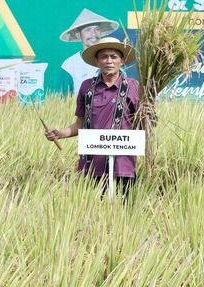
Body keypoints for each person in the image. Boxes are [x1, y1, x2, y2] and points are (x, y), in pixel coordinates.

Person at [45, 36, 139, 195]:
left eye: (114, 56)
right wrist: (60, 133)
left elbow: (143, 123)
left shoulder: (133, 87)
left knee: (125, 213)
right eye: (104, 56)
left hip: (123, 165)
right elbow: (80, 124)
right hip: (92, 164)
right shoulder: (87, 87)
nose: (109, 60)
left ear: (122, 61)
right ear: (97, 61)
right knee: (93, 212)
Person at [59, 9, 119, 95]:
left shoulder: (114, 61)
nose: (93, 34)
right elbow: (61, 101)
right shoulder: (69, 65)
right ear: (78, 34)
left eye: (97, 29)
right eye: (88, 30)